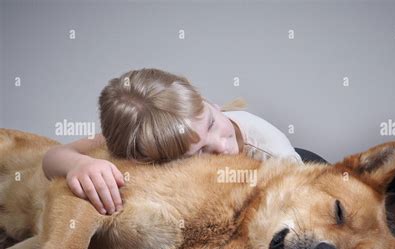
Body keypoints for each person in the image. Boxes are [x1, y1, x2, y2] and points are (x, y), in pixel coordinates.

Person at [42, 68, 303, 216]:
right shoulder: (145, 137)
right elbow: (53, 156)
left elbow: (303, 211)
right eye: (199, 152)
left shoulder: (275, 156)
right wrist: (79, 164)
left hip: (305, 163)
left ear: (208, 102)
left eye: (211, 123)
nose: (222, 147)